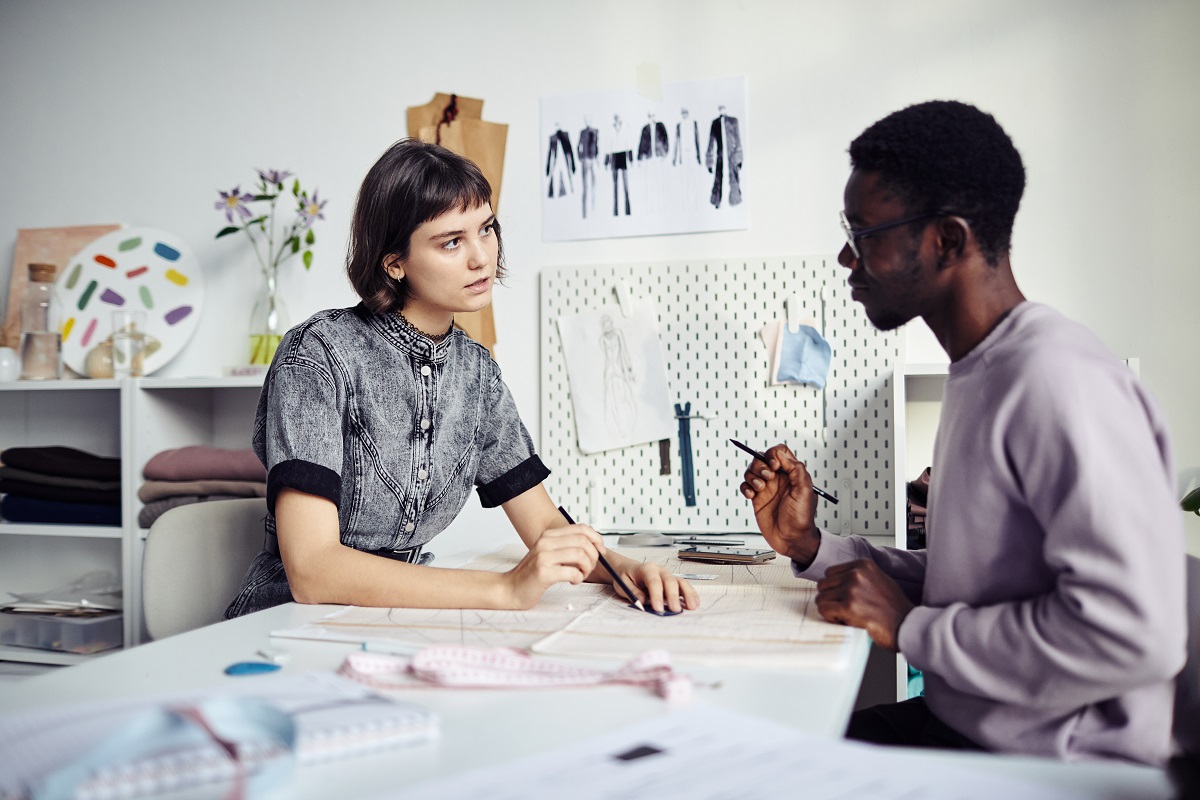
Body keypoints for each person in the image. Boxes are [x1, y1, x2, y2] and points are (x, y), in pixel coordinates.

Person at [740, 100, 1185, 765]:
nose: (845, 256)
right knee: (753, 751)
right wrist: (812, 545)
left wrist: (913, 628)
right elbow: (975, 585)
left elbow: (1134, 635)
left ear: (946, 240)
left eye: (863, 232)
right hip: (970, 729)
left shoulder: (1058, 381)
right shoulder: (984, 371)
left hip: (1052, 769)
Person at [227, 139, 698, 618]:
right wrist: (505, 589)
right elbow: (312, 571)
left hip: (394, 618)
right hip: (283, 620)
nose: (481, 257)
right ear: (394, 262)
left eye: (487, 229)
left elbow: (545, 529)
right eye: (451, 241)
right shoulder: (319, 354)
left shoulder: (477, 373)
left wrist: (623, 568)